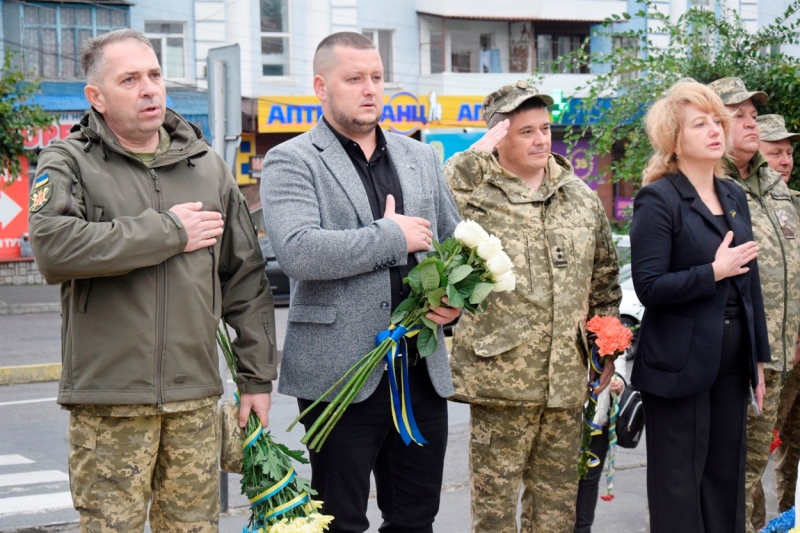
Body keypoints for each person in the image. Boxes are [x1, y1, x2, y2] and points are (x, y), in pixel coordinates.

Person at [27, 29, 276, 532]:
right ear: (96, 97)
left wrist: (255, 377)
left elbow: (245, 276)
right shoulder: (68, 161)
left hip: (194, 401)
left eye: (155, 75)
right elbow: (53, 248)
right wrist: (168, 231)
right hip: (110, 404)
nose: (150, 89)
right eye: (130, 79)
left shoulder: (206, 166)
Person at [260, 32, 461, 533]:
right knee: (340, 521)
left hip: (420, 369)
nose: (370, 89)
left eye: (376, 78)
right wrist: (390, 236)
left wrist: (453, 303)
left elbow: (456, 245)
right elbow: (300, 251)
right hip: (339, 373)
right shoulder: (293, 159)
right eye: (355, 79)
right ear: (320, 87)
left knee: (416, 518)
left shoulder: (420, 158)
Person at [443, 80, 621, 533]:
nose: (542, 139)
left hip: (566, 381)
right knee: (495, 514)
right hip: (500, 380)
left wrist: (607, 348)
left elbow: (604, 280)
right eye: (525, 131)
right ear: (499, 138)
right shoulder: (473, 194)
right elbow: (433, 191)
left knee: (556, 513)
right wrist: (474, 155)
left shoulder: (579, 197)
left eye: (544, 128)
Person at [630, 79, 769, 533]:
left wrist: (758, 360)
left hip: (730, 363)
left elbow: (751, 283)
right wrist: (713, 271)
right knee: (678, 487)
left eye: (717, 121)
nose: (714, 130)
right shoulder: (658, 199)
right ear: (675, 139)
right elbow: (649, 287)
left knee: (725, 480)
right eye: (699, 123)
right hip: (677, 366)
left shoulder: (733, 196)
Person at [707, 78, 800, 533]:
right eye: (739, 114)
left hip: (780, 353)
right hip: (734, 353)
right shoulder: (706, 182)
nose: (749, 122)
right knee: (732, 472)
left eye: (750, 114)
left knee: (753, 469)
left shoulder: (773, 186)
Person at [757, 113, 800, 514]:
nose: (785, 160)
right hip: (770, 353)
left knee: (794, 447)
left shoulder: (796, 205)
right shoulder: (738, 202)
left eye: (789, 153)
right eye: (776, 153)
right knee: (756, 450)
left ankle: (789, 519)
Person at [573, 357, 626, 533]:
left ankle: (582, 529)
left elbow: (618, 359)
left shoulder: (609, 329)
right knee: (559, 480)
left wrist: (619, 381)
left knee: (589, 480)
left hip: (597, 418)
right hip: (564, 419)